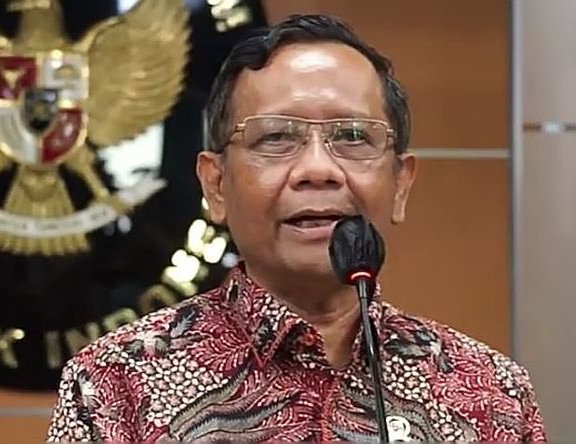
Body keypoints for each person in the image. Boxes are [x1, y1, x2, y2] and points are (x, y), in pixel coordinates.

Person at [47, 14, 547, 442]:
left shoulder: (492, 393)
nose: (318, 169)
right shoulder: (116, 384)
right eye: (276, 137)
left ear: (400, 184)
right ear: (216, 185)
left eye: (352, 136)